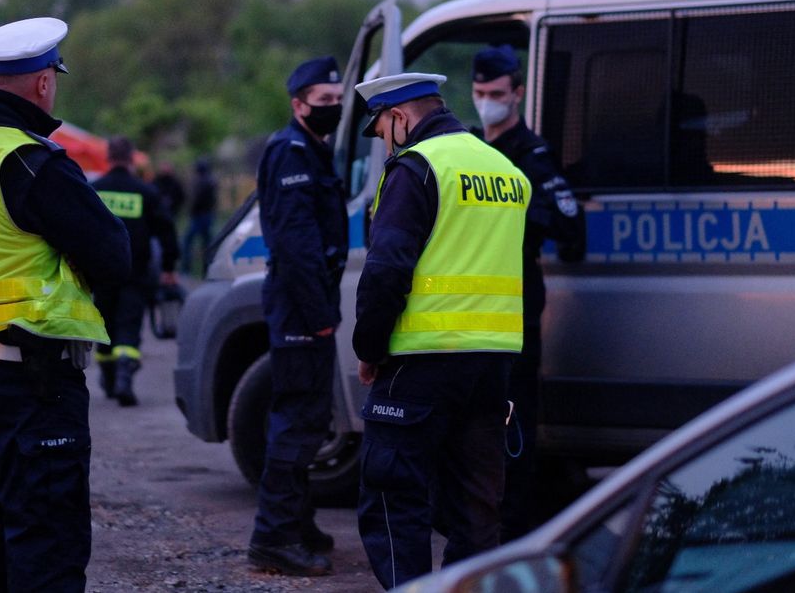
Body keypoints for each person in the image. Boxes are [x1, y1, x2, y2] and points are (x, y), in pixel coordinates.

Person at [0, 16, 131, 593]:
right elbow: (114, 255)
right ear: (44, 83)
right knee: (47, 542)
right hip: (36, 380)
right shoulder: (31, 162)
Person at [352, 71, 530, 590]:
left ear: (400, 117)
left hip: (420, 359)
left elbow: (386, 270)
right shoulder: (504, 168)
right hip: (493, 362)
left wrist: (370, 347)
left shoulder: (416, 167)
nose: (385, 141)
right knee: (477, 504)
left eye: (383, 129)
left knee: (393, 492)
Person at [470, 45, 584, 542]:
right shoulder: (469, 147)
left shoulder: (533, 153)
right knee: (471, 425)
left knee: (514, 422)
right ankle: (474, 522)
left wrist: (517, 214)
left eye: (496, 93)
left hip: (516, 308)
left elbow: (571, 232)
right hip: (468, 309)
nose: (487, 102)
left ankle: (513, 531)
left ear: (517, 93)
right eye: (479, 93)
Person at [247, 56, 349, 578]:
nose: (331, 109)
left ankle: (298, 523)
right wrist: (321, 316)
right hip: (300, 307)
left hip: (308, 305)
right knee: (295, 424)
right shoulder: (291, 153)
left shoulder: (313, 148)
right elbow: (296, 246)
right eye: (322, 102)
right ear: (298, 104)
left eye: (337, 101)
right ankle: (273, 539)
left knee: (308, 422)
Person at [91, 135, 181, 406]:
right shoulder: (146, 192)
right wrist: (168, 267)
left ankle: (108, 376)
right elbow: (167, 232)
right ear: (132, 159)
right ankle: (124, 380)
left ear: (108, 158)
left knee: (104, 326)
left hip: (102, 273)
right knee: (129, 325)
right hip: (136, 272)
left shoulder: (95, 189)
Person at [181, 157, 217, 274]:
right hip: (208, 215)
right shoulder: (211, 181)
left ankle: (186, 268)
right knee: (207, 243)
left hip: (198, 216)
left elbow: (196, 200)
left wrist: (191, 210)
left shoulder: (201, 182)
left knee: (187, 241)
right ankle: (206, 269)